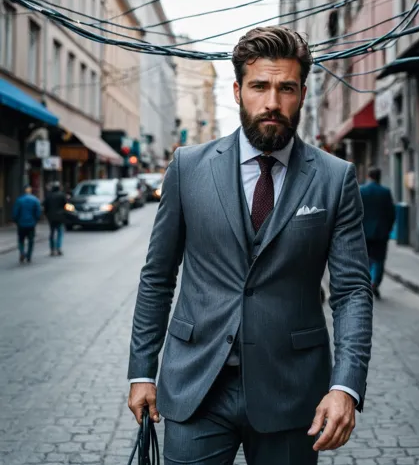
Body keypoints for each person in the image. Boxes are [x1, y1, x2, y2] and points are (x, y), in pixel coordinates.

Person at [128, 26, 373, 465]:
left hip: (293, 390)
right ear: (238, 90)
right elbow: (157, 277)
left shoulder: (335, 179)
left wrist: (346, 386)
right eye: (260, 86)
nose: (273, 103)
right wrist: (142, 370)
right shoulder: (188, 168)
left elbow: (352, 291)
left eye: (286, 88)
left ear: (301, 93)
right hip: (196, 386)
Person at [360, 167, 396, 299]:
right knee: (379, 259)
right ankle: (375, 283)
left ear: (368, 176)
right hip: (381, 233)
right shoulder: (385, 192)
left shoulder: (361, 190)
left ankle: (366, 281)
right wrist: (388, 229)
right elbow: (391, 213)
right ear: (379, 177)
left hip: (363, 232)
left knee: (365, 259)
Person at [12, 185, 42, 263]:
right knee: (31, 240)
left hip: (21, 223)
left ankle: (22, 252)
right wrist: (36, 220)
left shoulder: (19, 200)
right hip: (31, 223)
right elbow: (38, 212)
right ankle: (29, 255)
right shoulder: (35, 200)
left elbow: (15, 213)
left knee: (21, 239)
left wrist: (16, 220)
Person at [43, 181, 67, 256]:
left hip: (51, 217)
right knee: (59, 233)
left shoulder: (49, 195)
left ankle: (52, 249)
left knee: (52, 233)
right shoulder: (62, 195)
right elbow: (65, 204)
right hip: (60, 217)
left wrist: (47, 214)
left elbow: (45, 206)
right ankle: (58, 247)